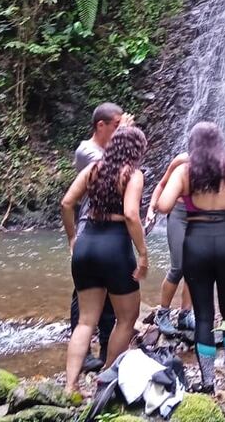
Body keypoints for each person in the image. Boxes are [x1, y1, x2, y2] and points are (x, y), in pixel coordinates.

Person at [155, 122, 225, 392]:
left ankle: (207, 382)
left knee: (204, 316)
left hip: (197, 242)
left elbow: (163, 205)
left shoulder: (186, 171)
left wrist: (185, 190)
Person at [61, 126, 150, 393]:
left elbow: (67, 203)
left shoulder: (93, 170)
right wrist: (143, 254)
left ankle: (70, 385)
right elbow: (132, 215)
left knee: (86, 321)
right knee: (127, 317)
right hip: (115, 247)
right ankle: (106, 376)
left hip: (87, 243)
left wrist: (72, 238)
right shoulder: (132, 175)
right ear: (136, 151)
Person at [69, 102, 132, 369]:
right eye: (116, 127)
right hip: (90, 228)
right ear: (101, 126)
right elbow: (108, 170)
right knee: (83, 299)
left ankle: (107, 350)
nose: (119, 132)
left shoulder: (106, 151)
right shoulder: (87, 152)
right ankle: (82, 356)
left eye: (121, 127)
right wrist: (125, 139)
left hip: (109, 231)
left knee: (109, 296)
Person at [144, 152, 196, 336]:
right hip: (179, 214)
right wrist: (151, 209)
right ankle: (163, 313)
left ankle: (185, 314)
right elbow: (162, 185)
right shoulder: (182, 160)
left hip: (200, 216)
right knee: (179, 266)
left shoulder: (214, 162)